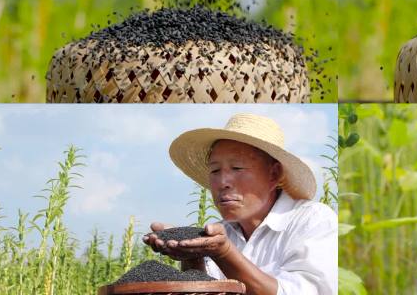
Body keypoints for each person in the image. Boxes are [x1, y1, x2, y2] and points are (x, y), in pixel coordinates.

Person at [143, 113, 337, 295]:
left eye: (237, 168)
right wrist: (192, 256)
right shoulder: (219, 234)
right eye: (215, 170)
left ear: (274, 174)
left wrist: (225, 253)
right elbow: (206, 289)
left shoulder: (312, 220)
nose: (222, 182)